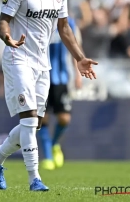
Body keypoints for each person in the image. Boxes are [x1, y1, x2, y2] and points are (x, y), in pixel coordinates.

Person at [0, 0, 98, 191]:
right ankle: (35, 178)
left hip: (42, 64)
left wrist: (80, 58)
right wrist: (7, 37)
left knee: (33, 124)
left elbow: (64, 28)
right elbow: (3, 21)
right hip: (18, 58)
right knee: (29, 119)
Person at [38, 16, 82, 171]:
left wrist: (78, 73)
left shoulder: (69, 22)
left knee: (64, 118)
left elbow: (75, 46)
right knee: (42, 118)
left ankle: (54, 143)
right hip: (41, 77)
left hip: (61, 78)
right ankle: (48, 157)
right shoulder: (39, 17)